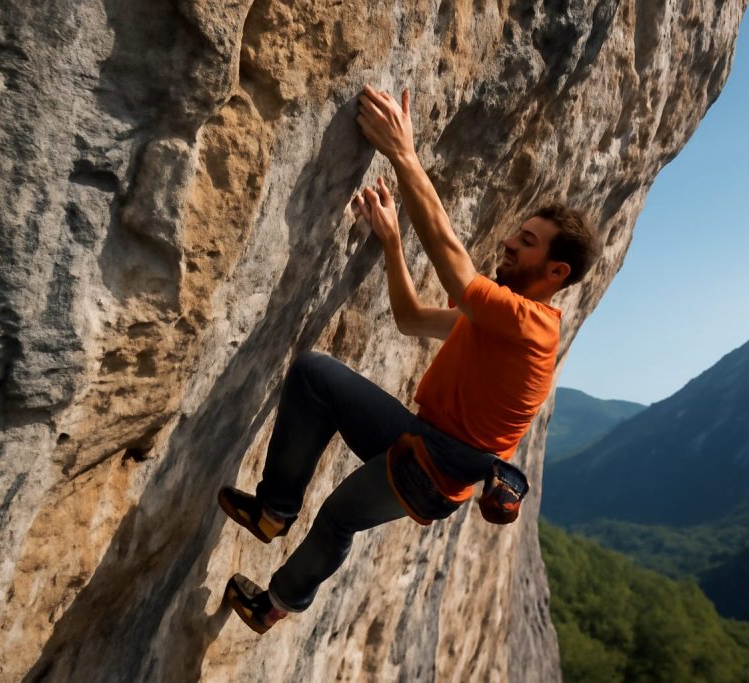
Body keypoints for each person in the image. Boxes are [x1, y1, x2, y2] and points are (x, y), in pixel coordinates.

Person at [220, 84, 600, 634]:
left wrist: (403, 155)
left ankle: (274, 604)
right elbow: (413, 320)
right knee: (315, 375)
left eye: (527, 240)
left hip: (440, 470)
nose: (510, 244)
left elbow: (460, 277)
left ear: (556, 270)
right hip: (420, 438)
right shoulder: (498, 321)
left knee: (338, 517)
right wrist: (394, 244)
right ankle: (273, 510)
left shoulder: (532, 326)